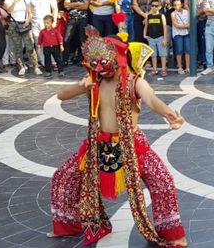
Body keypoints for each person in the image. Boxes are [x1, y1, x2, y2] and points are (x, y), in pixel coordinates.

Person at [48, 28, 186, 246]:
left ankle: (173, 235)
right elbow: (61, 95)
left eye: (104, 61)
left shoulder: (134, 82)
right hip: (98, 145)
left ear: (118, 58)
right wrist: (80, 86)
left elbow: (151, 99)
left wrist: (170, 115)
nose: (100, 67)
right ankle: (68, 225)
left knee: (163, 181)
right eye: (96, 62)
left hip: (131, 144)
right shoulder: (94, 80)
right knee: (64, 177)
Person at [4, 0, 41, 76]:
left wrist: (28, 20)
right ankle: (21, 66)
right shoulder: (8, 1)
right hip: (14, 25)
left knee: (30, 46)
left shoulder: (26, 0)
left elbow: (30, 13)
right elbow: (9, 11)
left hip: (25, 24)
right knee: (17, 47)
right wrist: (14, 2)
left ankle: (35, 65)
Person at [63, 0, 91, 65]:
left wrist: (72, 4)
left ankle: (82, 59)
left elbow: (85, 6)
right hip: (71, 18)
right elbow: (66, 5)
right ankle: (65, 60)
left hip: (82, 18)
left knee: (82, 40)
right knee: (66, 39)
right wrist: (79, 3)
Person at [143, 0, 168, 76]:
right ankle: (154, 69)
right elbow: (146, 26)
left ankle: (163, 69)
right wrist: (144, 34)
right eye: (152, 6)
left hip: (160, 37)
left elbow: (164, 27)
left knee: (162, 54)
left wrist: (164, 38)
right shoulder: (149, 16)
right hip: (151, 38)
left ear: (159, 7)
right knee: (153, 55)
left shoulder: (161, 16)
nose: (154, 7)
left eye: (156, 6)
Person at [170, 0, 190, 75]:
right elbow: (176, 25)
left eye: (178, 4)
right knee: (179, 50)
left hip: (186, 33)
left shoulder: (187, 12)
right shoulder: (173, 14)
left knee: (187, 50)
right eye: (175, 5)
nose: (177, 6)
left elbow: (190, 22)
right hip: (177, 34)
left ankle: (187, 67)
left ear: (181, 4)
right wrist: (186, 26)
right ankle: (180, 67)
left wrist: (184, 26)